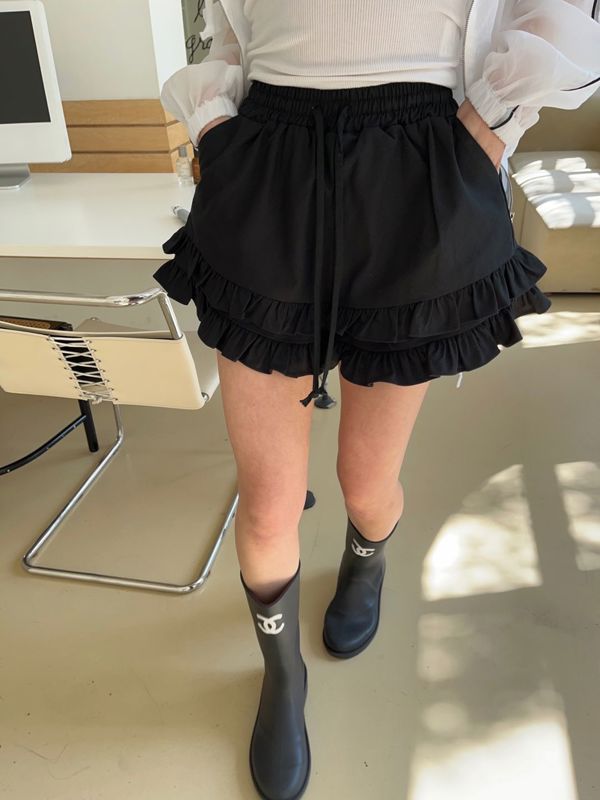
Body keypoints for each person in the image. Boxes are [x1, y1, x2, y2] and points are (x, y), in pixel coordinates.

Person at [155, 2, 600, 798]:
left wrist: (487, 129)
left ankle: (366, 562)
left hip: (420, 163)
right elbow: (230, 32)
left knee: (366, 481)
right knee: (269, 503)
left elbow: (552, 14)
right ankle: (283, 676)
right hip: (268, 160)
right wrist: (217, 133)